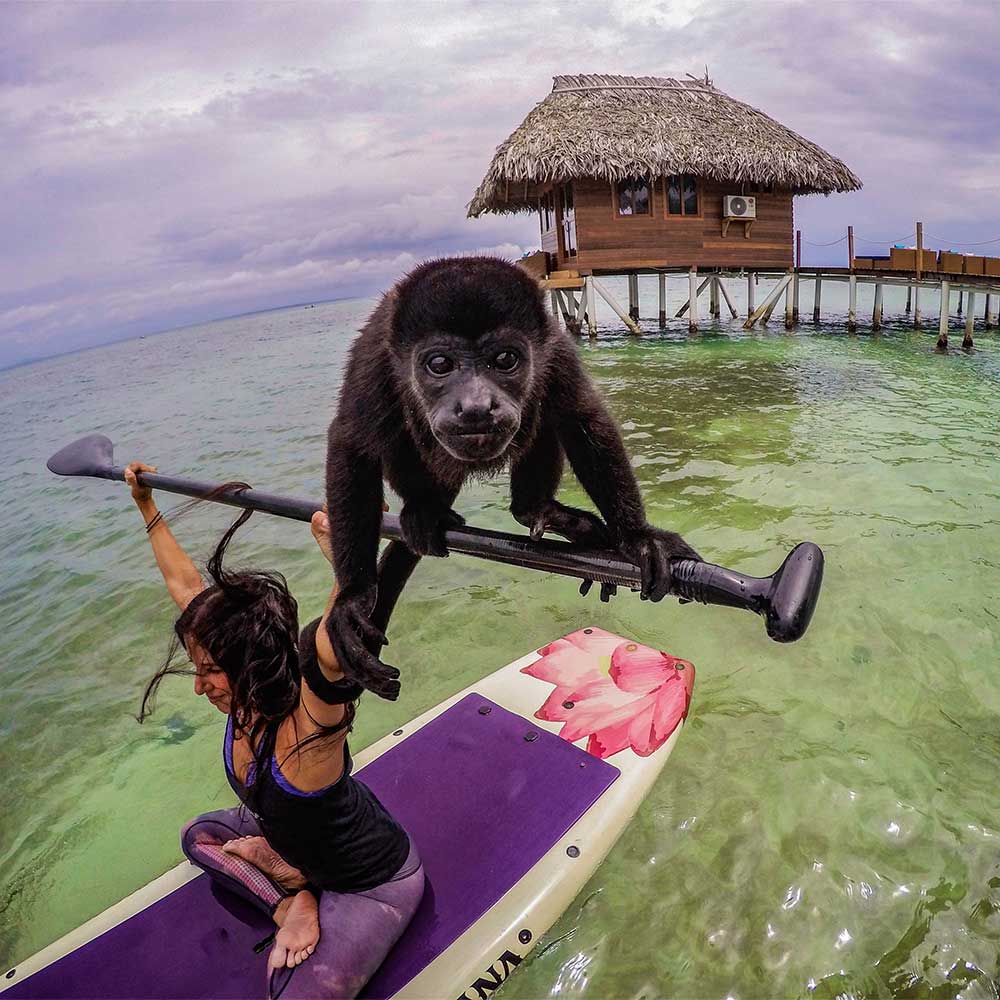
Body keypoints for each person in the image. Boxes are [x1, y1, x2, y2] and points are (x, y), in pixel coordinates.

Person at [124, 462, 424, 999]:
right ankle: (292, 898)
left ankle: (298, 882)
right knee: (200, 837)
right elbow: (185, 585)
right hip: (300, 843)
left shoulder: (307, 732)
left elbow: (337, 647)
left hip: (370, 883)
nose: (200, 687)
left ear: (252, 664)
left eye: (210, 671)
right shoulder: (240, 693)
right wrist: (146, 504)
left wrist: (348, 555)